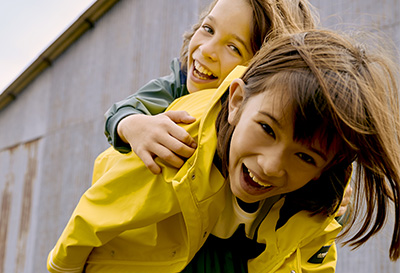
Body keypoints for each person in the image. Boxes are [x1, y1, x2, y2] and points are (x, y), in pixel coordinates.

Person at [18, 29, 400, 273]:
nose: (270, 165)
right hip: (153, 234)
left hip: (228, 262)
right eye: (267, 129)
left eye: (304, 157)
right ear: (236, 101)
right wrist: (71, 264)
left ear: (324, 168)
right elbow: (106, 201)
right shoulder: (182, 141)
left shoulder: (313, 210)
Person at [104, 0, 318, 174]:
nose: (207, 49)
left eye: (233, 48)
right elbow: (123, 111)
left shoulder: (267, 119)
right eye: (208, 29)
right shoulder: (177, 85)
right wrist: (133, 125)